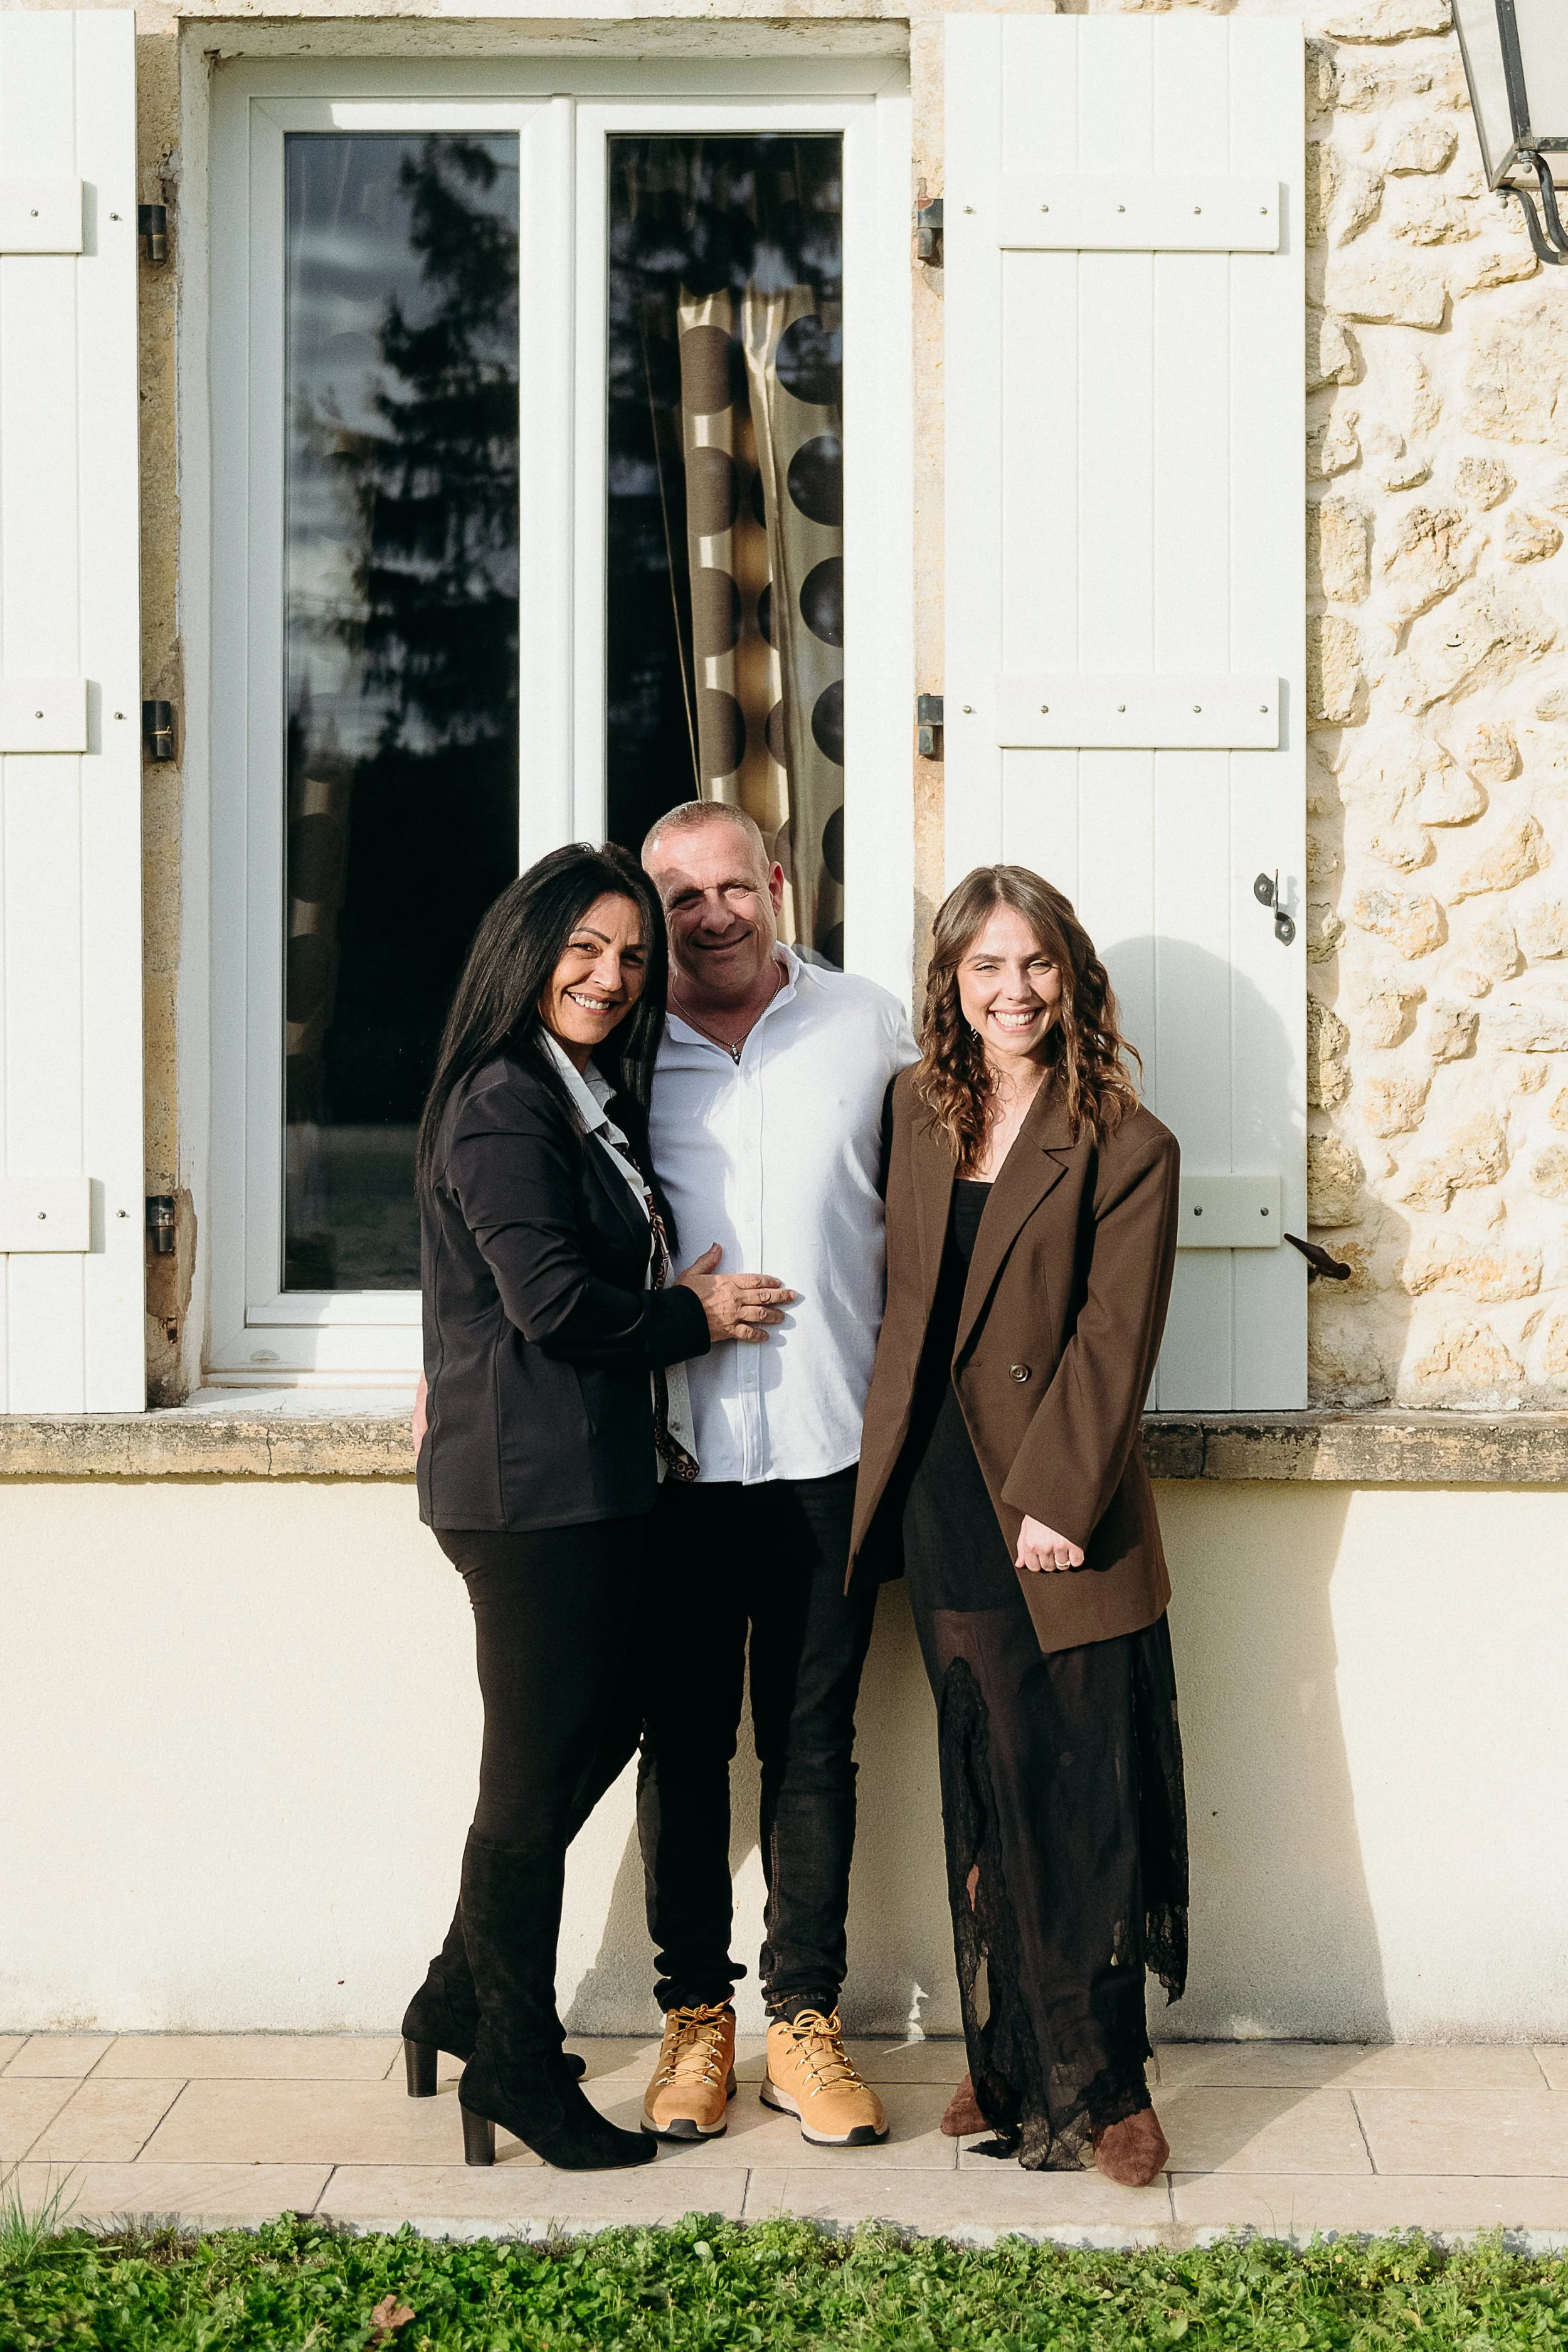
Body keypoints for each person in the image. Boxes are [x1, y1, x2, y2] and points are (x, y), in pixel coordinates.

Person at [405, 842, 793, 2171]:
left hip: (583, 1482)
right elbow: (550, 1307)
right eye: (584, 949)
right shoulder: (505, 1097)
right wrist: (687, 1314)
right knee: (528, 1786)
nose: (611, 976)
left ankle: (457, 1994)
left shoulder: (572, 1094)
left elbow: (558, 1280)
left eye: (632, 957)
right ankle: (512, 2062)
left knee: (593, 1735)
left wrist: (653, 1293)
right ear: (528, 951)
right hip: (530, 1497)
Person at [848, 864, 1189, 2183]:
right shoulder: (913, 1110)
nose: (1012, 991)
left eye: (1035, 964)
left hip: (1056, 1505)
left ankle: (1102, 2084)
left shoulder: (1124, 1137)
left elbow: (1113, 1340)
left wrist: (1057, 1498)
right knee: (985, 1776)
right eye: (985, 967)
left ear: (1071, 977)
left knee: (1074, 1796)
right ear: (948, 982)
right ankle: (1001, 2058)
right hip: (935, 1491)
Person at [632, 801, 918, 2148]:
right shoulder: (618, 1044)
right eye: (677, 895)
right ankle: (695, 2020)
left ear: (778, 884)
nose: (709, 915)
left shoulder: (866, 1026)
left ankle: (805, 2019)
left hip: (829, 1453)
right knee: (683, 1746)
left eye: (730, 886)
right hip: (671, 1465)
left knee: (814, 1747)